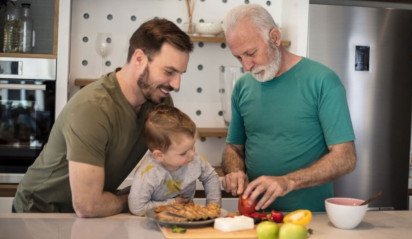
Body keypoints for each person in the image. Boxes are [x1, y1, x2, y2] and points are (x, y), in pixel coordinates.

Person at [12, 18, 194, 217]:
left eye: (181, 74)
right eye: (169, 71)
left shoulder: (160, 102)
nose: (176, 84)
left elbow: (175, 159)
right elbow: (88, 206)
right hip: (39, 214)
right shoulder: (92, 108)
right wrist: (135, 199)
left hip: (86, 215)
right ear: (139, 58)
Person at [220, 4, 356, 212]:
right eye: (238, 57)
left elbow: (345, 158)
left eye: (251, 53)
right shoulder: (242, 86)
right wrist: (235, 170)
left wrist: (288, 181)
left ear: (274, 37)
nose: (246, 66)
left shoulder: (322, 81)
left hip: (309, 218)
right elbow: (233, 148)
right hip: (253, 217)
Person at [128, 105, 221, 216]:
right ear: (159, 155)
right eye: (183, 153)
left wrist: (213, 207)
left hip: (187, 219)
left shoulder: (194, 159)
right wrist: (173, 203)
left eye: (192, 147)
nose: (192, 154)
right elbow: (137, 208)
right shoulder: (149, 173)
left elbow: (210, 177)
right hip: (154, 223)